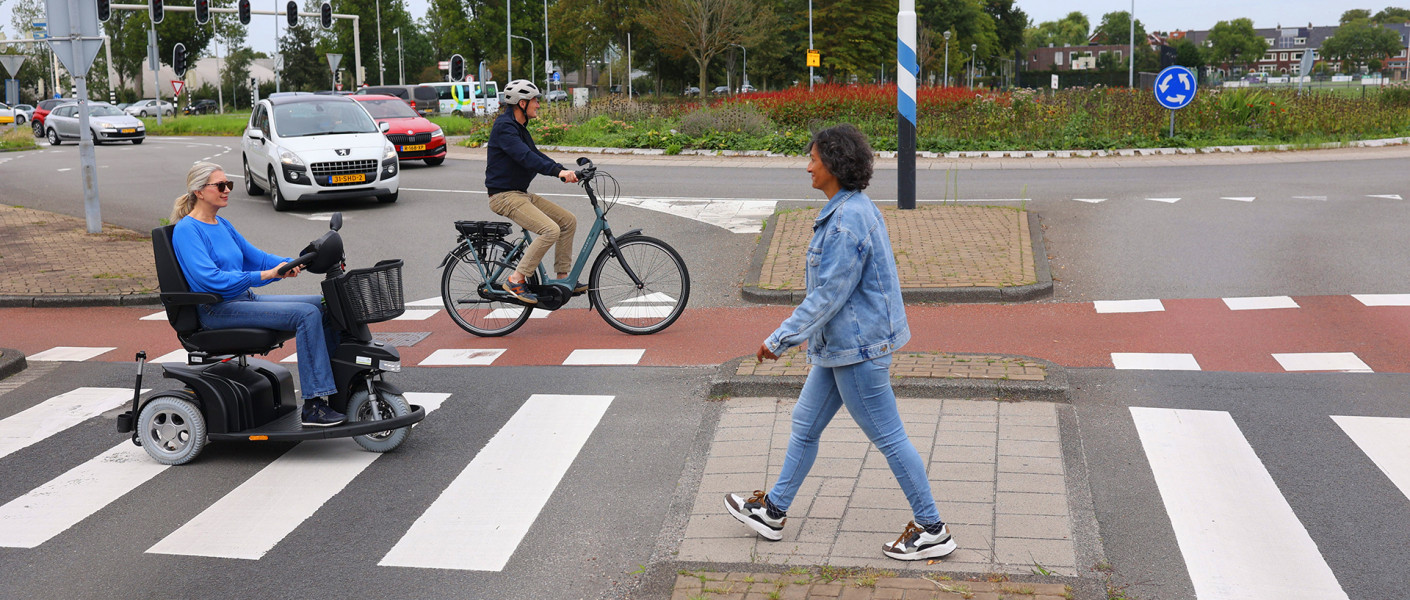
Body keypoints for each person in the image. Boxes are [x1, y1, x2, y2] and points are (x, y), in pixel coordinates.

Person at [724, 124, 956, 561]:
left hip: (858, 350)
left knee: (889, 438)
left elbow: (828, 295)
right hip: (843, 346)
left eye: (812, 159)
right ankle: (773, 510)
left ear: (832, 165)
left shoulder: (846, 222)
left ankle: (932, 529)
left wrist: (781, 338)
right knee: (805, 424)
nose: (807, 166)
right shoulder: (853, 207)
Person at [169, 161, 346, 427]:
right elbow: (210, 279)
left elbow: (257, 258)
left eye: (228, 184)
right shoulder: (187, 230)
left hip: (243, 301)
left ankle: (339, 388)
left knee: (324, 304)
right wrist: (265, 275)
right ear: (199, 192)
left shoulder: (222, 224)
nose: (227, 189)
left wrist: (292, 263)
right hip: (217, 310)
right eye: (220, 185)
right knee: (307, 314)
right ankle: (314, 404)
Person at [484, 79, 582, 304]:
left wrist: (563, 170)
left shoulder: (519, 128)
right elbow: (526, 158)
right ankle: (516, 280)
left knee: (568, 221)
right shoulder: (504, 128)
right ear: (521, 104)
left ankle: (563, 279)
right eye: (535, 100)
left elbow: (536, 155)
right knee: (550, 230)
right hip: (504, 196)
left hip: (519, 193)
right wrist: (558, 173)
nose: (538, 104)